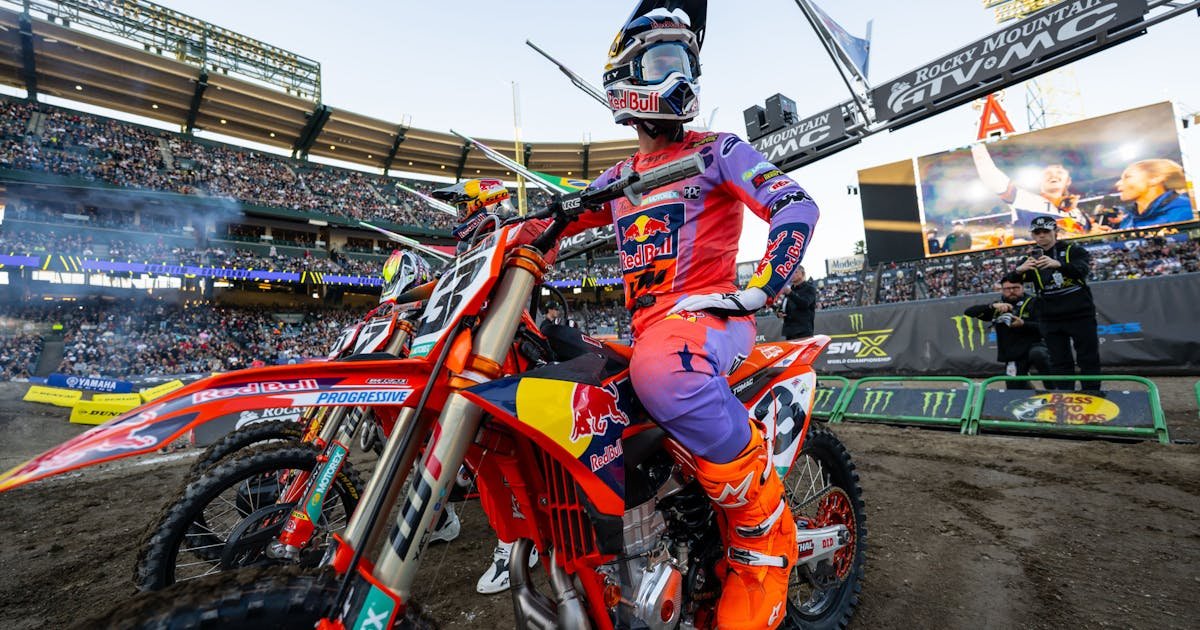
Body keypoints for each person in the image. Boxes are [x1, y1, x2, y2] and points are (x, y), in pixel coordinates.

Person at [555, 4, 820, 626]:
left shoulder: (719, 150)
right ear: (625, 76)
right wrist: (497, 228)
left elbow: (796, 205)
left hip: (709, 319)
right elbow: (553, 220)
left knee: (664, 369)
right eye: (664, 61)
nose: (683, 78)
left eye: (688, 63)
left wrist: (759, 289)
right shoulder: (618, 178)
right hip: (651, 330)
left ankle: (763, 526)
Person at [1004, 216, 1099, 391]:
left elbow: (1083, 270)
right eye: (1037, 232)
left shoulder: (1073, 250)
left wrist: (1058, 265)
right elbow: (1009, 281)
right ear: (1033, 235)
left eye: (1045, 231)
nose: (1041, 236)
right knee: (1059, 360)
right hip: (1050, 317)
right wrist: (1019, 270)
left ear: (1055, 232)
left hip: (1079, 313)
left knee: (1088, 357)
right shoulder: (1030, 258)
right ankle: (1065, 395)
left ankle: (1092, 393)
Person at [971, 142, 1086, 235]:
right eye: (1048, 173)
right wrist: (978, 146)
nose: (1053, 175)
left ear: (1068, 180)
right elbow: (993, 179)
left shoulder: (1076, 211)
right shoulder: (1026, 200)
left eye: (1059, 172)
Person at [963, 279, 1050, 389]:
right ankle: (1029, 389)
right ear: (1002, 290)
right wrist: (992, 306)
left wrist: (1023, 323)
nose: (1012, 291)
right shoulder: (999, 306)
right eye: (1007, 289)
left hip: (1035, 346)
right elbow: (969, 312)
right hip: (1013, 354)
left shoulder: (1034, 302)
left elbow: (1046, 327)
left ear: (1022, 288)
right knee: (1015, 390)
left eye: (1015, 287)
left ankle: (1054, 389)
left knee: (1039, 354)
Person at [1114, 159, 1194, 230]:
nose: (1118, 183)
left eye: (1127, 177)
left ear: (1155, 179)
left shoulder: (1186, 212)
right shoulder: (1129, 218)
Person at [778, 265, 817, 339]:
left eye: (795, 272)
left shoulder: (809, 288)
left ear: (803, 274)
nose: (792, 275)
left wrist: (790, 293)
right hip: (789, 331)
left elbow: (805, 304)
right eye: (791, 273)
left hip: (803, 331)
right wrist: (779, 313)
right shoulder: (790, 289)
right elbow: (783, 306)